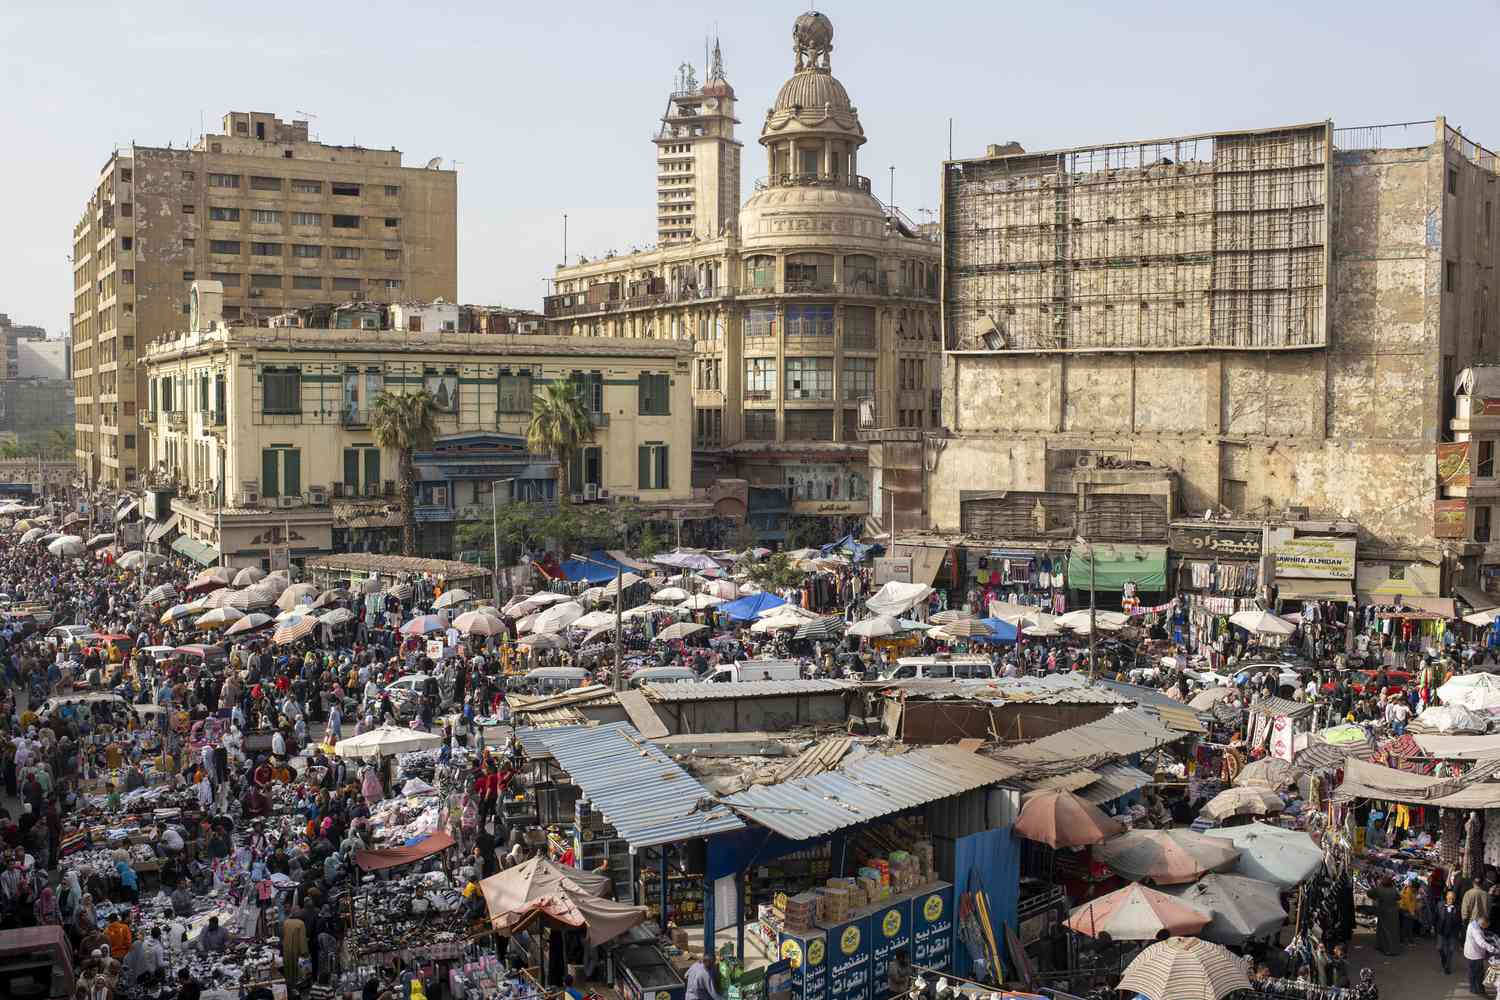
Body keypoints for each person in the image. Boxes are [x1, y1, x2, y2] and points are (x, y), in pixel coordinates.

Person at [1467, 914, 1500, 995]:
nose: (1486, 928)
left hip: (1469, 952)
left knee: (1472, 972)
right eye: (1486, 926)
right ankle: (1480, 991)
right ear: (1483, 923)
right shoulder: (1476, 930)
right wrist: (1494, 950)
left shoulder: (1472, 923)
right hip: (1475, 955)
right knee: (1479, 974)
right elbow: (1482, 943)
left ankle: (1472, 988)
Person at [1371, 874, 1403, 956]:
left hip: (1384, 911)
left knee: (1384, 930)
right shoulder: (1394, 890)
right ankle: (1392, 949)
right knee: (1393, 931)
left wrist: (1377, 898)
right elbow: (1399, 897)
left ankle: (1388, 949)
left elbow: (1370, 893)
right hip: (1393, 912)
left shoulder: (1379, 889)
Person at [1439, 890, 1464, 975]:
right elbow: (1436, 916)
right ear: (1446, 897)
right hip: (1441, 931)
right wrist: (1433, 926)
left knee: (1450, 950)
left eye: (1453, 898)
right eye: (1449, 898)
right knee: (1440, 948)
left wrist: (1460, 931)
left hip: (1453, 932)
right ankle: (1444, 961)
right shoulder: (1440, 905)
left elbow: (1460, 920)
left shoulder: (1458, 907)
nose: (1451, 900)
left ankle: (1447, 967)